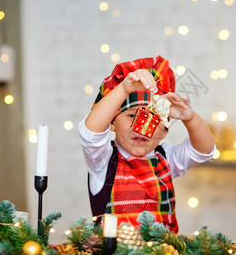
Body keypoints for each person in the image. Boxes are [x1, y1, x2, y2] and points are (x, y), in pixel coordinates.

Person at [79, 56, 215, 233]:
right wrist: (124, 89)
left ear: (165, 131)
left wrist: (190, 118)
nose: (142, 128)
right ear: (111, 123)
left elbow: (203, 150)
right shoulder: (102, 160)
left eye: (153, 119)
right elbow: (90, 133)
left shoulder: (166, 158)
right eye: (131, 116)